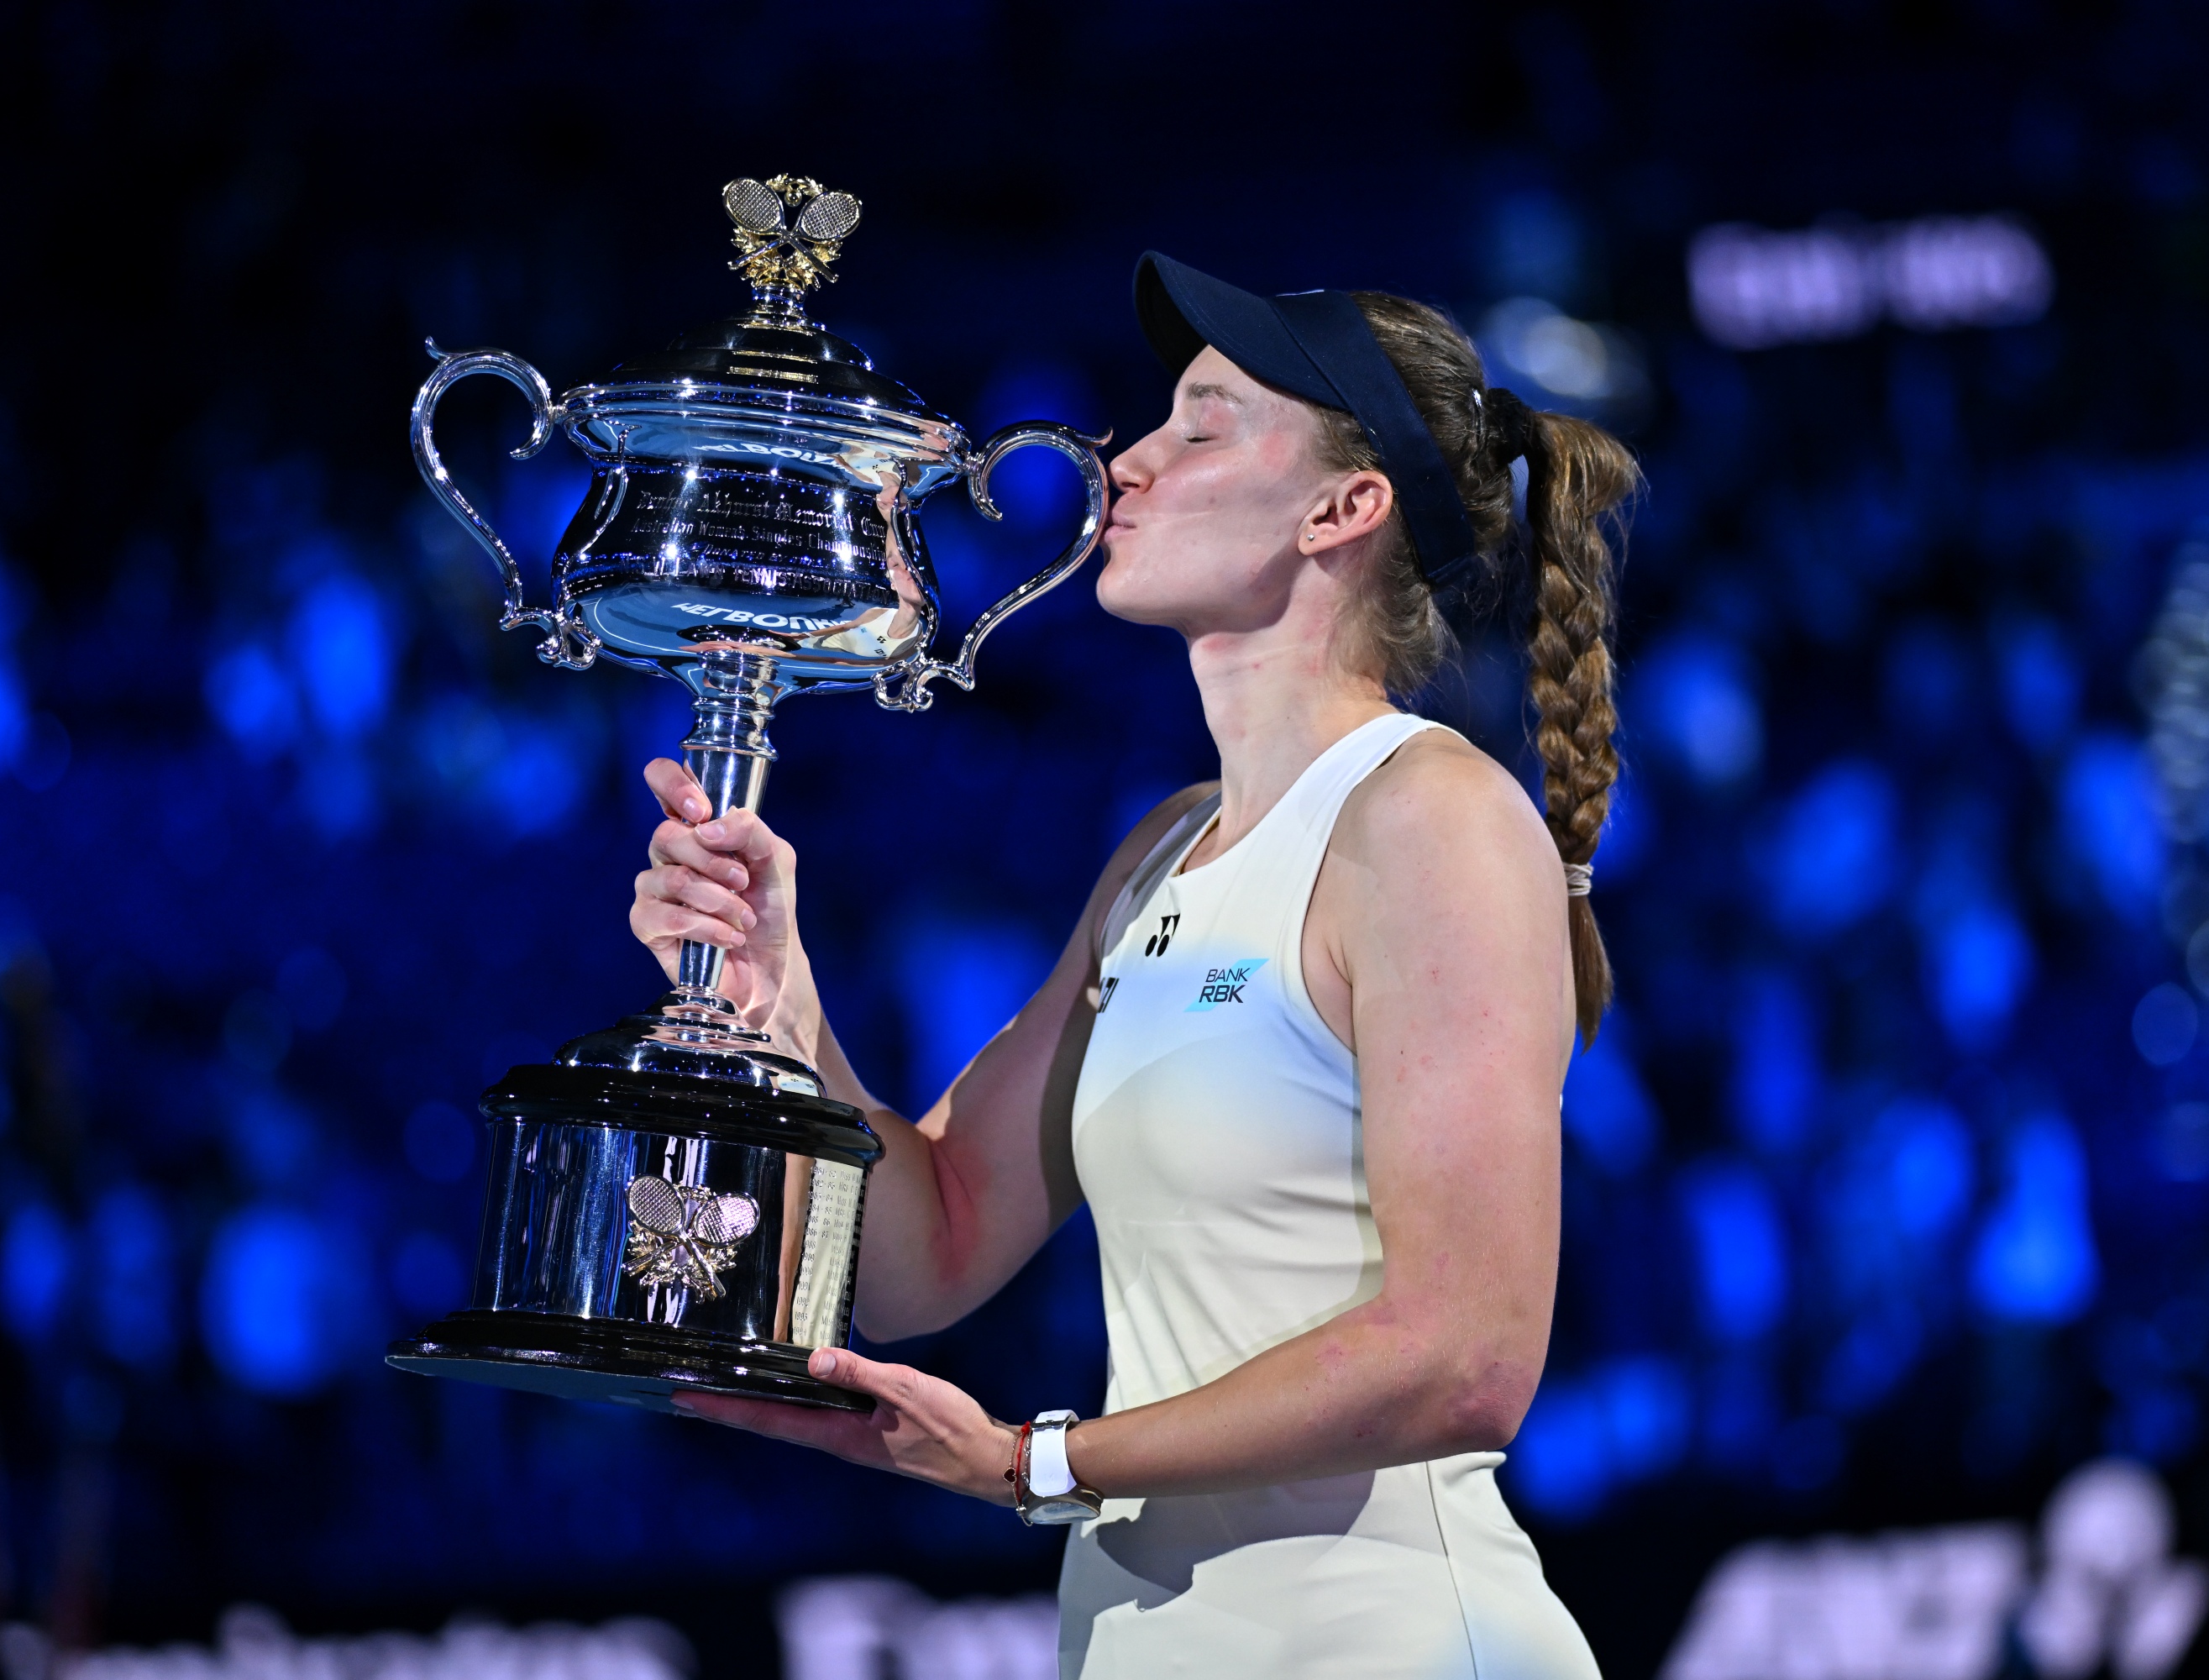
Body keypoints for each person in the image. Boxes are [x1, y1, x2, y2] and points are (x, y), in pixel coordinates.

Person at [629, 253, 1639, 1679]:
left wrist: (1040, 1461)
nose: (1127, 459)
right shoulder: (1163, 851)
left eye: (1202, 424)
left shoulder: (1434, 818)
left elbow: (1467, 1354)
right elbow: (935, 1248)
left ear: (1343, 511)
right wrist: (780, 1001)